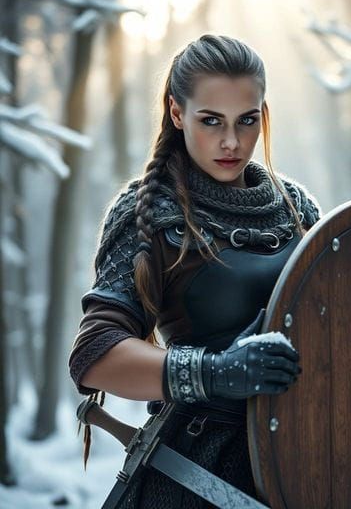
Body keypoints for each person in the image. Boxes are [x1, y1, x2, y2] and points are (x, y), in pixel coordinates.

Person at [69, 35, 321, 506]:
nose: (232, 141)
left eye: (247, 120)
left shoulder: (297, 208)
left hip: (306, 461)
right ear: (177, 113)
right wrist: (217, 372)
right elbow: (94, 355)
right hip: (197, 476)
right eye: (211, 121)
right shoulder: (149, 213)